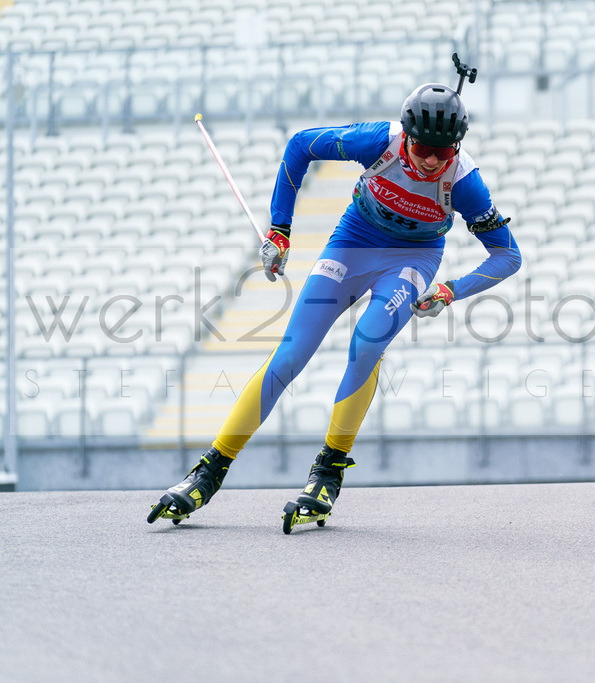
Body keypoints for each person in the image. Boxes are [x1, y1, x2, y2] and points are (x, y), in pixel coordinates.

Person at [149, 82, 521, 524]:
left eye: (443, 153)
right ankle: (209, 471)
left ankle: (328, 470)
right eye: (423, 148)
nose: (430, 161)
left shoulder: (465, 183)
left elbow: (508, 256)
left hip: (412, 259)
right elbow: (299, 146)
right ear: (405, 135)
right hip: (353, 241)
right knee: (291, 354)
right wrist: (280, 230)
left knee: (367, 341)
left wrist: (450, 289)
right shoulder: (376, 141)